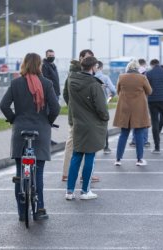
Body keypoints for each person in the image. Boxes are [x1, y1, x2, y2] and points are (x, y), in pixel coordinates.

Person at [0, 53, 60, 221]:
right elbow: (55, 107)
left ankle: (21, 213)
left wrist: (14, 119)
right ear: (39, 65)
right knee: (38, 172)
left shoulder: (16, 83)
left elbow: (4, 105)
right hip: (41, 132)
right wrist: (47, 121)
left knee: (20, 172)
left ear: (24, 64)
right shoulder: (47, 84)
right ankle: (39, 209)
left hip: (20, 131)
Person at [65, 56, 109, 200]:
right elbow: (101, 108)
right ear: (93, 67)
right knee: (90, 156)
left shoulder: (71, 80)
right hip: (92, 125)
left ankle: (69, 191)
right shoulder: (94, 84)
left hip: (78, 123)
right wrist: (105, 118)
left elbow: (67, 98)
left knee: (76, 156)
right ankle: (85, 191)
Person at [61, 49, 99, 183]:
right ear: (81, 58)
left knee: (86, 144)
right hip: (77, 116)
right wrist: (74, 106)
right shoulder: (73, 73)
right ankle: (66, 173)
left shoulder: (87, 73)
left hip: (85, 116)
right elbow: (66, 93)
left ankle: (86, 174)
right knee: (73, 143)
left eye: (92, 58)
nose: (90, 60)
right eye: (88, 57)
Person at [113, 60, 152, 166]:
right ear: (137, 68)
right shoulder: (142, 77)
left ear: (128, 68)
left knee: (123, 134)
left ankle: (118, 159)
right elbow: (149, 91)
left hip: (125, 108)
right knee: (139, 134)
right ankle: (139, 160)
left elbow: (118, 91)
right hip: (139, 109)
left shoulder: (121, 77)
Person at [95, 60, 116, 154]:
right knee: (104, 125)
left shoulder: (89, 77)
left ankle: (92, 147)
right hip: (103, 104)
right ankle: (106, 147)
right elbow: (113, 90)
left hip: (90, 105)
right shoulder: (105, 78)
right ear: (101, 67)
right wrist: (109, 98)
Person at [129, 58, 151, 148]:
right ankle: (145, 141)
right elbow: (149, 90)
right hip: (143, 101)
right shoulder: (144, 75)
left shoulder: (127, 75)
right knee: (144, 122)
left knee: (134, 121)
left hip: (131, 102)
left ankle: (134, 140)